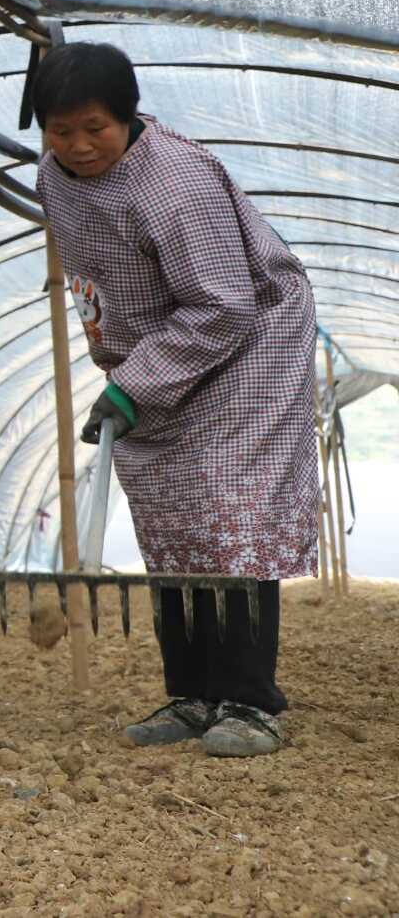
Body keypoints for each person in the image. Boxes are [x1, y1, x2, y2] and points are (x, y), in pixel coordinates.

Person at [34, 42, 318, 758]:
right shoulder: (53, 174)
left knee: (228, 518)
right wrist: (120, 372)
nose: (77, 145)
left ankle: (251, 702)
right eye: (60, 130)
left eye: (94, 127)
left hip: (247, 347)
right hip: (157, 350)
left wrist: (134, 384)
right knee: (170, 519)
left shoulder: (175, 185)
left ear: (127, 117)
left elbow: (223, 307)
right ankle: (193, 694)